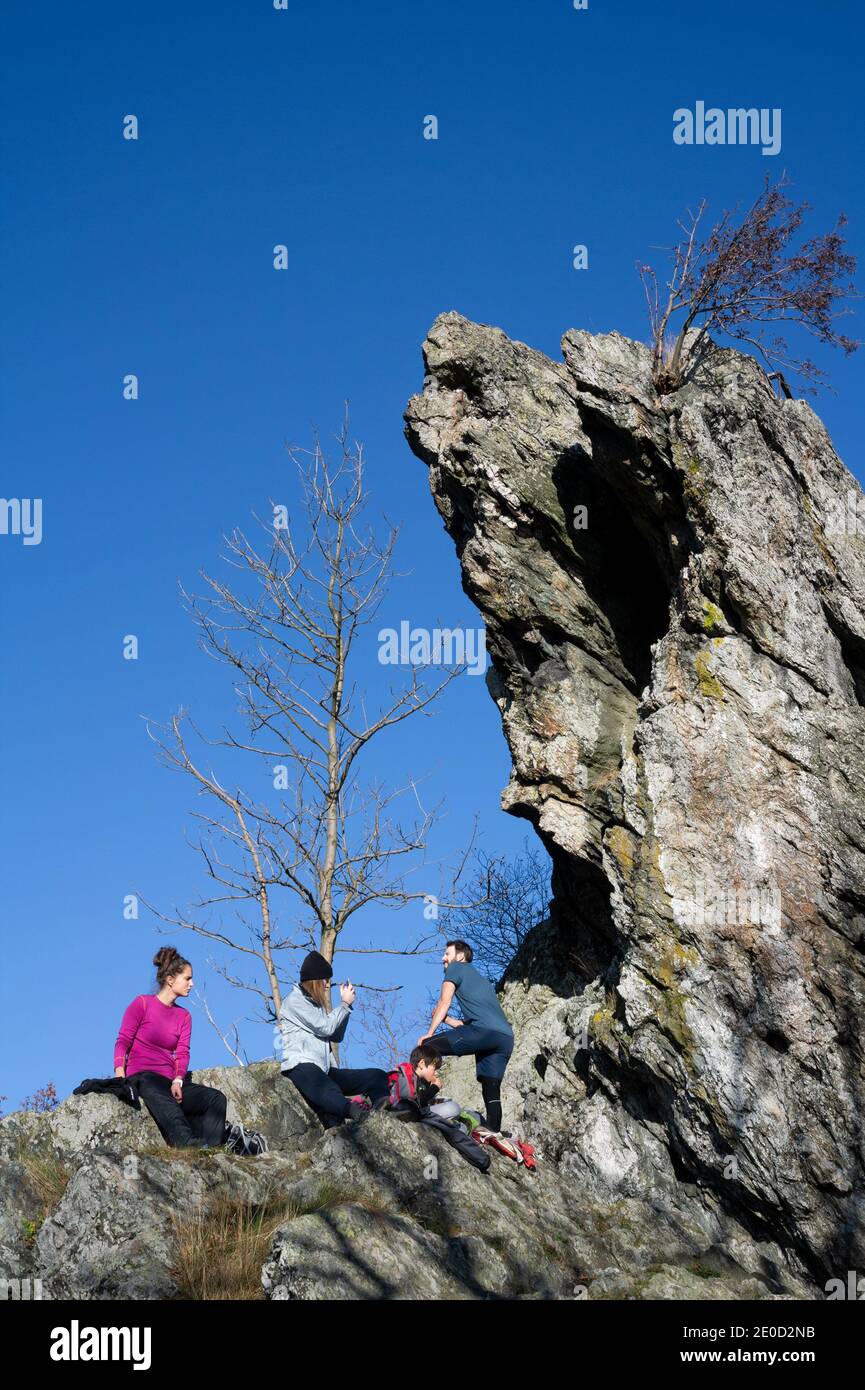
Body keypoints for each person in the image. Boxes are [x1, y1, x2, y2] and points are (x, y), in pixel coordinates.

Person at [114, 946, 257, 1152]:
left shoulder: (184, 1016)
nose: (192, 984)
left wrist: (178, 1080)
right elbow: (123, 1041)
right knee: (151, 1084)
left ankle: (213, 1151)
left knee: (215, 1098)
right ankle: (186, 1143)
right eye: (187, 978)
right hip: (143, 1078)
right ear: (171, 980)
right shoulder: (142, 1004)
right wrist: (121, 1078)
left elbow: (182, 1052)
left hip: (168, 1082)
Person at [278, 950, 390, 1125]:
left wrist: (347, 1008)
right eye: (325, 980)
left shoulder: (316, 1005)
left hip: (324, 1068)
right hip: (301, 1066)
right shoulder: (294, 1001)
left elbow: (336, 1035)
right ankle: (356, 1113)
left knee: (377, 1076)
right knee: (328, 1090)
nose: (327, 985)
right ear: (315, 981)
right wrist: (344, 1004)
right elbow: (326, 1027)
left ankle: (385, 1110)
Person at [418, 939, 513, 1134]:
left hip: (483, 1032)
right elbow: (467, 1026)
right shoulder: (479, 979)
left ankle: (418, 1099)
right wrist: (447, 1020)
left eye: (447, 953)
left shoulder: (456, 968)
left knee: (426, 1048)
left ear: (460, 956)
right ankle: (493, 1129)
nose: (443, 958)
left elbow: (444, 1001)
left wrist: (429, 1033)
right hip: (504, 1038)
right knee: (490, 1084)